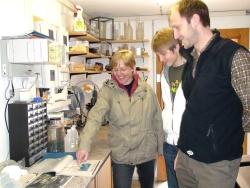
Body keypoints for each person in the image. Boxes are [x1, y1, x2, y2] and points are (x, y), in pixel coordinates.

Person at [168, 0, 250, 188]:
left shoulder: (234, 55)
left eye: (177, 27)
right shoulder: (190, 58)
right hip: (186, 159)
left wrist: (226, 132)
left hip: (217, 164)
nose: (175, 34)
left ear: (195, 20)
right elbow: (193, 108)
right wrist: (182, 154)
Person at [76, 49, 164, 188]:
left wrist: (161, 147)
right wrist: (84, 145)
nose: (119, 73)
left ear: (133, 68)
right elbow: (95, 118)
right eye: (115, 69)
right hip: (122, 153)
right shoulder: (108, 91)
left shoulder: (147, 91)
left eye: (123, 69)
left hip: (146, 150)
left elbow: (157, 118)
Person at [152, 28, 188, 188]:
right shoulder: (165, 70)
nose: (160, 59)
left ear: (177, 48)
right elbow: (168, 107)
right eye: (158, 55)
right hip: (169, 143)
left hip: (188, 144)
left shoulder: (194, 70)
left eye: (163, 54)